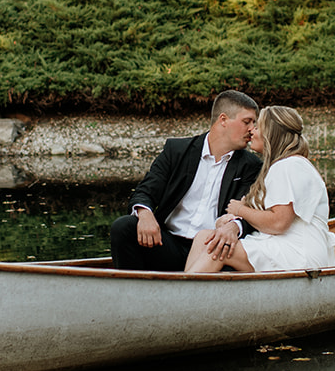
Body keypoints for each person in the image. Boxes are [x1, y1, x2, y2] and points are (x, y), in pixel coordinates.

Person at [109, 90, 262, 272]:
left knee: (227, 250)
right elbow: (144, 192)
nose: (252, 129)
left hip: (211, 250)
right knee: (123, 227)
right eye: (247, 122)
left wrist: (234, 227)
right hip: (167, 244)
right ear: (223, 120)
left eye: (254, 123)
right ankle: (130, 294)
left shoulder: (251, 166)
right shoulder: (177, 151)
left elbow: (249, 213)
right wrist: (145, 214)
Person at [183, 105, 335, 274]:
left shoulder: (288, 166)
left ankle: (183, 295)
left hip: (298, 252)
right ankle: (185, 289)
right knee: (204, 237)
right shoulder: (285, 165)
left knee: (220, 248)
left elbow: (279, 223)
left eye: (257, 127)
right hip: (283, 245)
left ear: (270, 134)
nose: (251, 132)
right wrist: (233, 218)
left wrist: (240, 209)